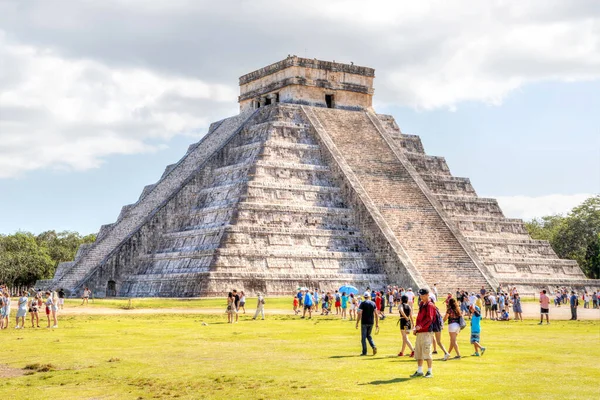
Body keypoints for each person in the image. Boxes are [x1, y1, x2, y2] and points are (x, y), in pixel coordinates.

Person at [410, 288, 436, 378]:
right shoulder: (422, 304)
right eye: (420, 295)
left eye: (423, 295)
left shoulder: (430, 305)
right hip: (420, 331)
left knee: (427, 351)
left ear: (427, 295)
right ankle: (419, 370)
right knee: (419, 352)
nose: (421, 297)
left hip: (427, 332)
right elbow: (419, 317)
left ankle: (429, 371)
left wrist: (420, 326)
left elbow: (429, 319)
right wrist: (416, 328)